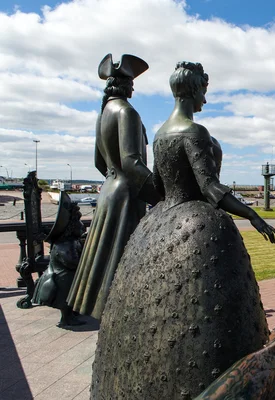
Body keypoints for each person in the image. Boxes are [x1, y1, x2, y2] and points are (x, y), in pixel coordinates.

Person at [91, 62, 275, 399]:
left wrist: (165, 208)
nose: (205, 97)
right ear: (194, 90)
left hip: (160, 219)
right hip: (197, 224)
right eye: (204, 89)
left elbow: (159, 184)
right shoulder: (195, 132)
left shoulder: (163, 132)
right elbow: (211, 189)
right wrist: (252, 215)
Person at [67, 54, 161, 320]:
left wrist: (114, 179)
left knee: (104, 266)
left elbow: (99, 162)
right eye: (132, 82)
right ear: (125, 84)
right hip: (125, 196)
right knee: (123, 266)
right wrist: (163, 194)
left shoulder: (103, 115)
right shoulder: (126, 112)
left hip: (109, 190)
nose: (133, 88)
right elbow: (132, 163)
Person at [32, 192, 85, 327]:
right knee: (67, 289)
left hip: (64, 275)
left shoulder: (71, 241)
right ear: (72, 227)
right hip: (60, 279)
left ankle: (72, 312)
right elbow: (71, 262)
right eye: (79, 223)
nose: (82, 226)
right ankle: (66, 318)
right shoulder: (64, 244)